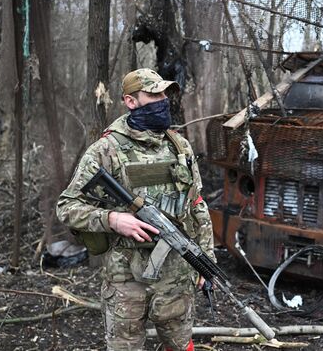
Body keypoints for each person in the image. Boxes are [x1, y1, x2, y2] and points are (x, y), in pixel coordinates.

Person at [56, 68, 215, 351]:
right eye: (153, 94)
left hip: (176, 272)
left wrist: (205, 260)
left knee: (180, 344)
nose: (162, 100)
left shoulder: (180, 146)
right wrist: (113, 219)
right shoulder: (106, 149)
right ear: (130, 102)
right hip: (125, 276)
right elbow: (67, 207)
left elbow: (196, 205)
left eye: (164, 93)